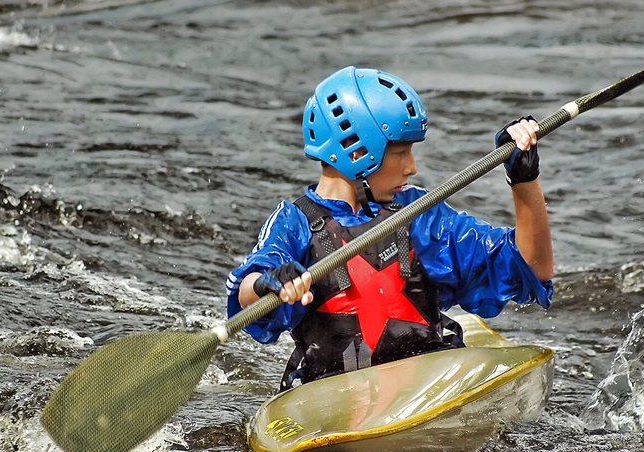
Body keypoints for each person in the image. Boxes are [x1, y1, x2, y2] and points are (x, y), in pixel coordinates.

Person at [226, 66, 552, 391]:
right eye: (400, 153)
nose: (412, 166)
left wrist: (524, 181)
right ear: (357, 153)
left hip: (425, 385)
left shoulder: (418, 213)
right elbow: (246, 293)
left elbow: (533, 268)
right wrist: (266, 284)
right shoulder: (294, 222)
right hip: (336, 392)